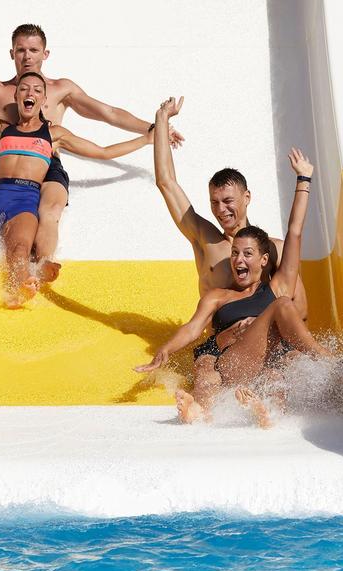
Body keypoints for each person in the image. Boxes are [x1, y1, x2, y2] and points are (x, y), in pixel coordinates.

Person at [0, 24, 183, 279]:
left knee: (50, 208)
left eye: (33, 49)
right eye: (20, 50)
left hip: (49, 162)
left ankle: (43, 263)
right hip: (7, 165)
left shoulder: (61, 89)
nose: (27, 56)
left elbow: (107, 113)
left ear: (45, 54)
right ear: (12, 54)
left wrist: (152, 129)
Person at [135, 148, 329, 427]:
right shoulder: (218, 294)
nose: (237, 260)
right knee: (206, 367)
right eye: (234, 253)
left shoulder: (275, 286)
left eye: (246, 254)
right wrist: (166, 348)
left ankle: (267, 410)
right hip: (225, 354)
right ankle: (201, 410)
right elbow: (193, 329)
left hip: (260, 354)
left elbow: (295, 232)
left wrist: (304, 179)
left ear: (264, 260)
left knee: (279, 366)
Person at [151, 97, 310, 393]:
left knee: (284, 367)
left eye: (228, 201)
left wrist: (260, 325)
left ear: (246, 198)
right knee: (208, 375)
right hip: (221, 343)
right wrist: (162, 119)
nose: (221, 209)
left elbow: (297, 308)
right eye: (214, 202)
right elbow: (166, 182)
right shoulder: (206, 239)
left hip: (263, 340)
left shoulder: (271, 249)